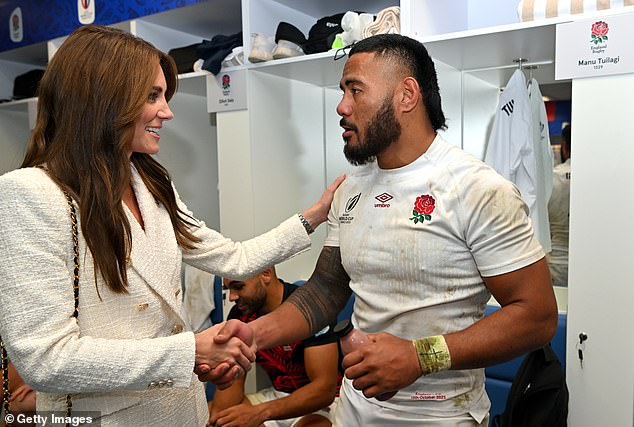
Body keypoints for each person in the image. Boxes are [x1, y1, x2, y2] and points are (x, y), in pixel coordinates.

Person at [205, 34, 558, 426]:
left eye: (355, 90)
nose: (342, 106)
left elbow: (537, 316)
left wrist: (420, 356)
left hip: (440, 414)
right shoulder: (351, 189)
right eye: (342, 91)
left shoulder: (477, 189)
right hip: (356, 409)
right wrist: (253, 338)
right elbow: (325, 292)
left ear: (407, 95)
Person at [0, 25, 343, 426]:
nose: (168, 110)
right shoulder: (29, 194)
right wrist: (191, 352)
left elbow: (233, 257)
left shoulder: (149, 183)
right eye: (152, 96)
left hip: (182, 410)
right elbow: (46, 359)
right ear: (104, 100)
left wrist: (315, 215)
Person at [209, 267, 341, 427]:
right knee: (213, 416)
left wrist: (260, 413)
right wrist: (218, 420)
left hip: (318, 405)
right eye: (228, 289)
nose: (232, 297)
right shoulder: (240, 316)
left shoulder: (311, 308)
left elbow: (324, 390)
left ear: (266, 274)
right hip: (274, 397)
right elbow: (232, 383)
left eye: (238, 286)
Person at [547, 124, 572, 287]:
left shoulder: (552, 178)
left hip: (555, 265)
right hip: (593, 263)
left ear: (564, 146)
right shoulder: (602, 183)